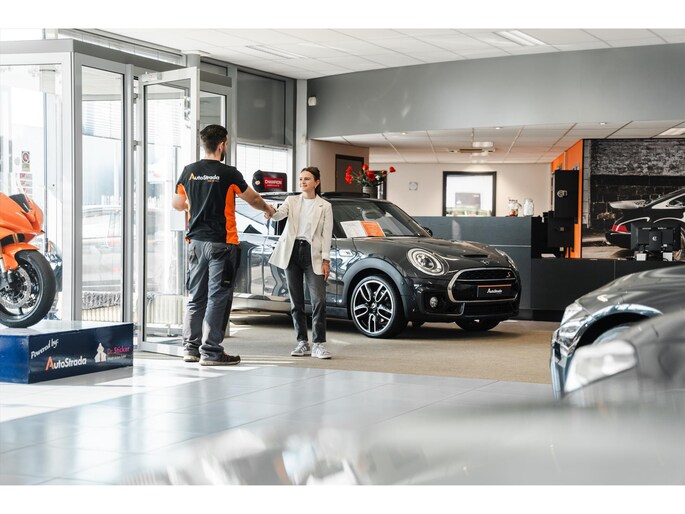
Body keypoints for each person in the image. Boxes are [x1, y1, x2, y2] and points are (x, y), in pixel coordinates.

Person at [172, 124, 276, 366]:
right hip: (222, 243)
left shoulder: (189, 171)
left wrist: (195, 206)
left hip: (196, 243)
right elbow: (253, 199)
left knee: (196, 296)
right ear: (221, 145)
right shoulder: (229, 173)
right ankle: (211, 351)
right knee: (218, 297)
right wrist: (268, 209)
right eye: (226, 143)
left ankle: (191, 348)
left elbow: (177, 204)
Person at [266, 167, 334, 359]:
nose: (303, 182)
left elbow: (326, 234)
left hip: (313, 253)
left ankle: (319, 344)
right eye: (301, 179)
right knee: (296, 301)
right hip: (292, 252)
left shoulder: (325, 206)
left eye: (307, 179)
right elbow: (279, 215)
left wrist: (326, 260)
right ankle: (302, 342)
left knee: (319, 300)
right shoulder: (292, 201)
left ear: (316, 182)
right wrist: (269, 211)